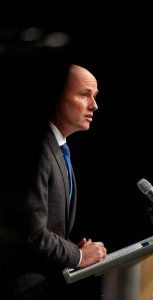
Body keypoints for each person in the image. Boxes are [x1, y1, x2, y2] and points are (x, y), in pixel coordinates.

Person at [0, 64, 107, 299]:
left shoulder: (57, 148)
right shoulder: (36, 150)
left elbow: (49, 228)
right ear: (56, 97)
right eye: (84, 94)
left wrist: (73, 249)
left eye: (95, 97)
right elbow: (32, 233)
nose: (94, 105)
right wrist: (79, 257)